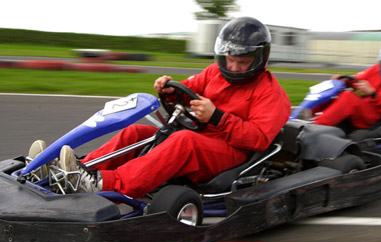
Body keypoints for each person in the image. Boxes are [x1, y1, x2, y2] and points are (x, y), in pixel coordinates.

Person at [28, 17, 291, 198]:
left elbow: (258, 139)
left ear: (260, 57)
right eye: (230, 60)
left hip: (231, 152)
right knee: (135, 133)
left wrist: (217, 117)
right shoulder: (214, 73)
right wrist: (167, 87)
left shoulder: (272, 94)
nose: (233, 67)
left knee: (184, 141)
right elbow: (187, 89)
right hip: (201, 135)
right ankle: (80, 170)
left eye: (242, 62)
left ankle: (105, 184)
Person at [311, 42, 381, 129]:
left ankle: (315, 127)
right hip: (363, 108)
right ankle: (305, 115)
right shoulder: (375, 70)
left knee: (348, 97)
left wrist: (374, 94)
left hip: (375, 117)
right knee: (331, 89)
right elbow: (358, 80)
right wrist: (343, 81)